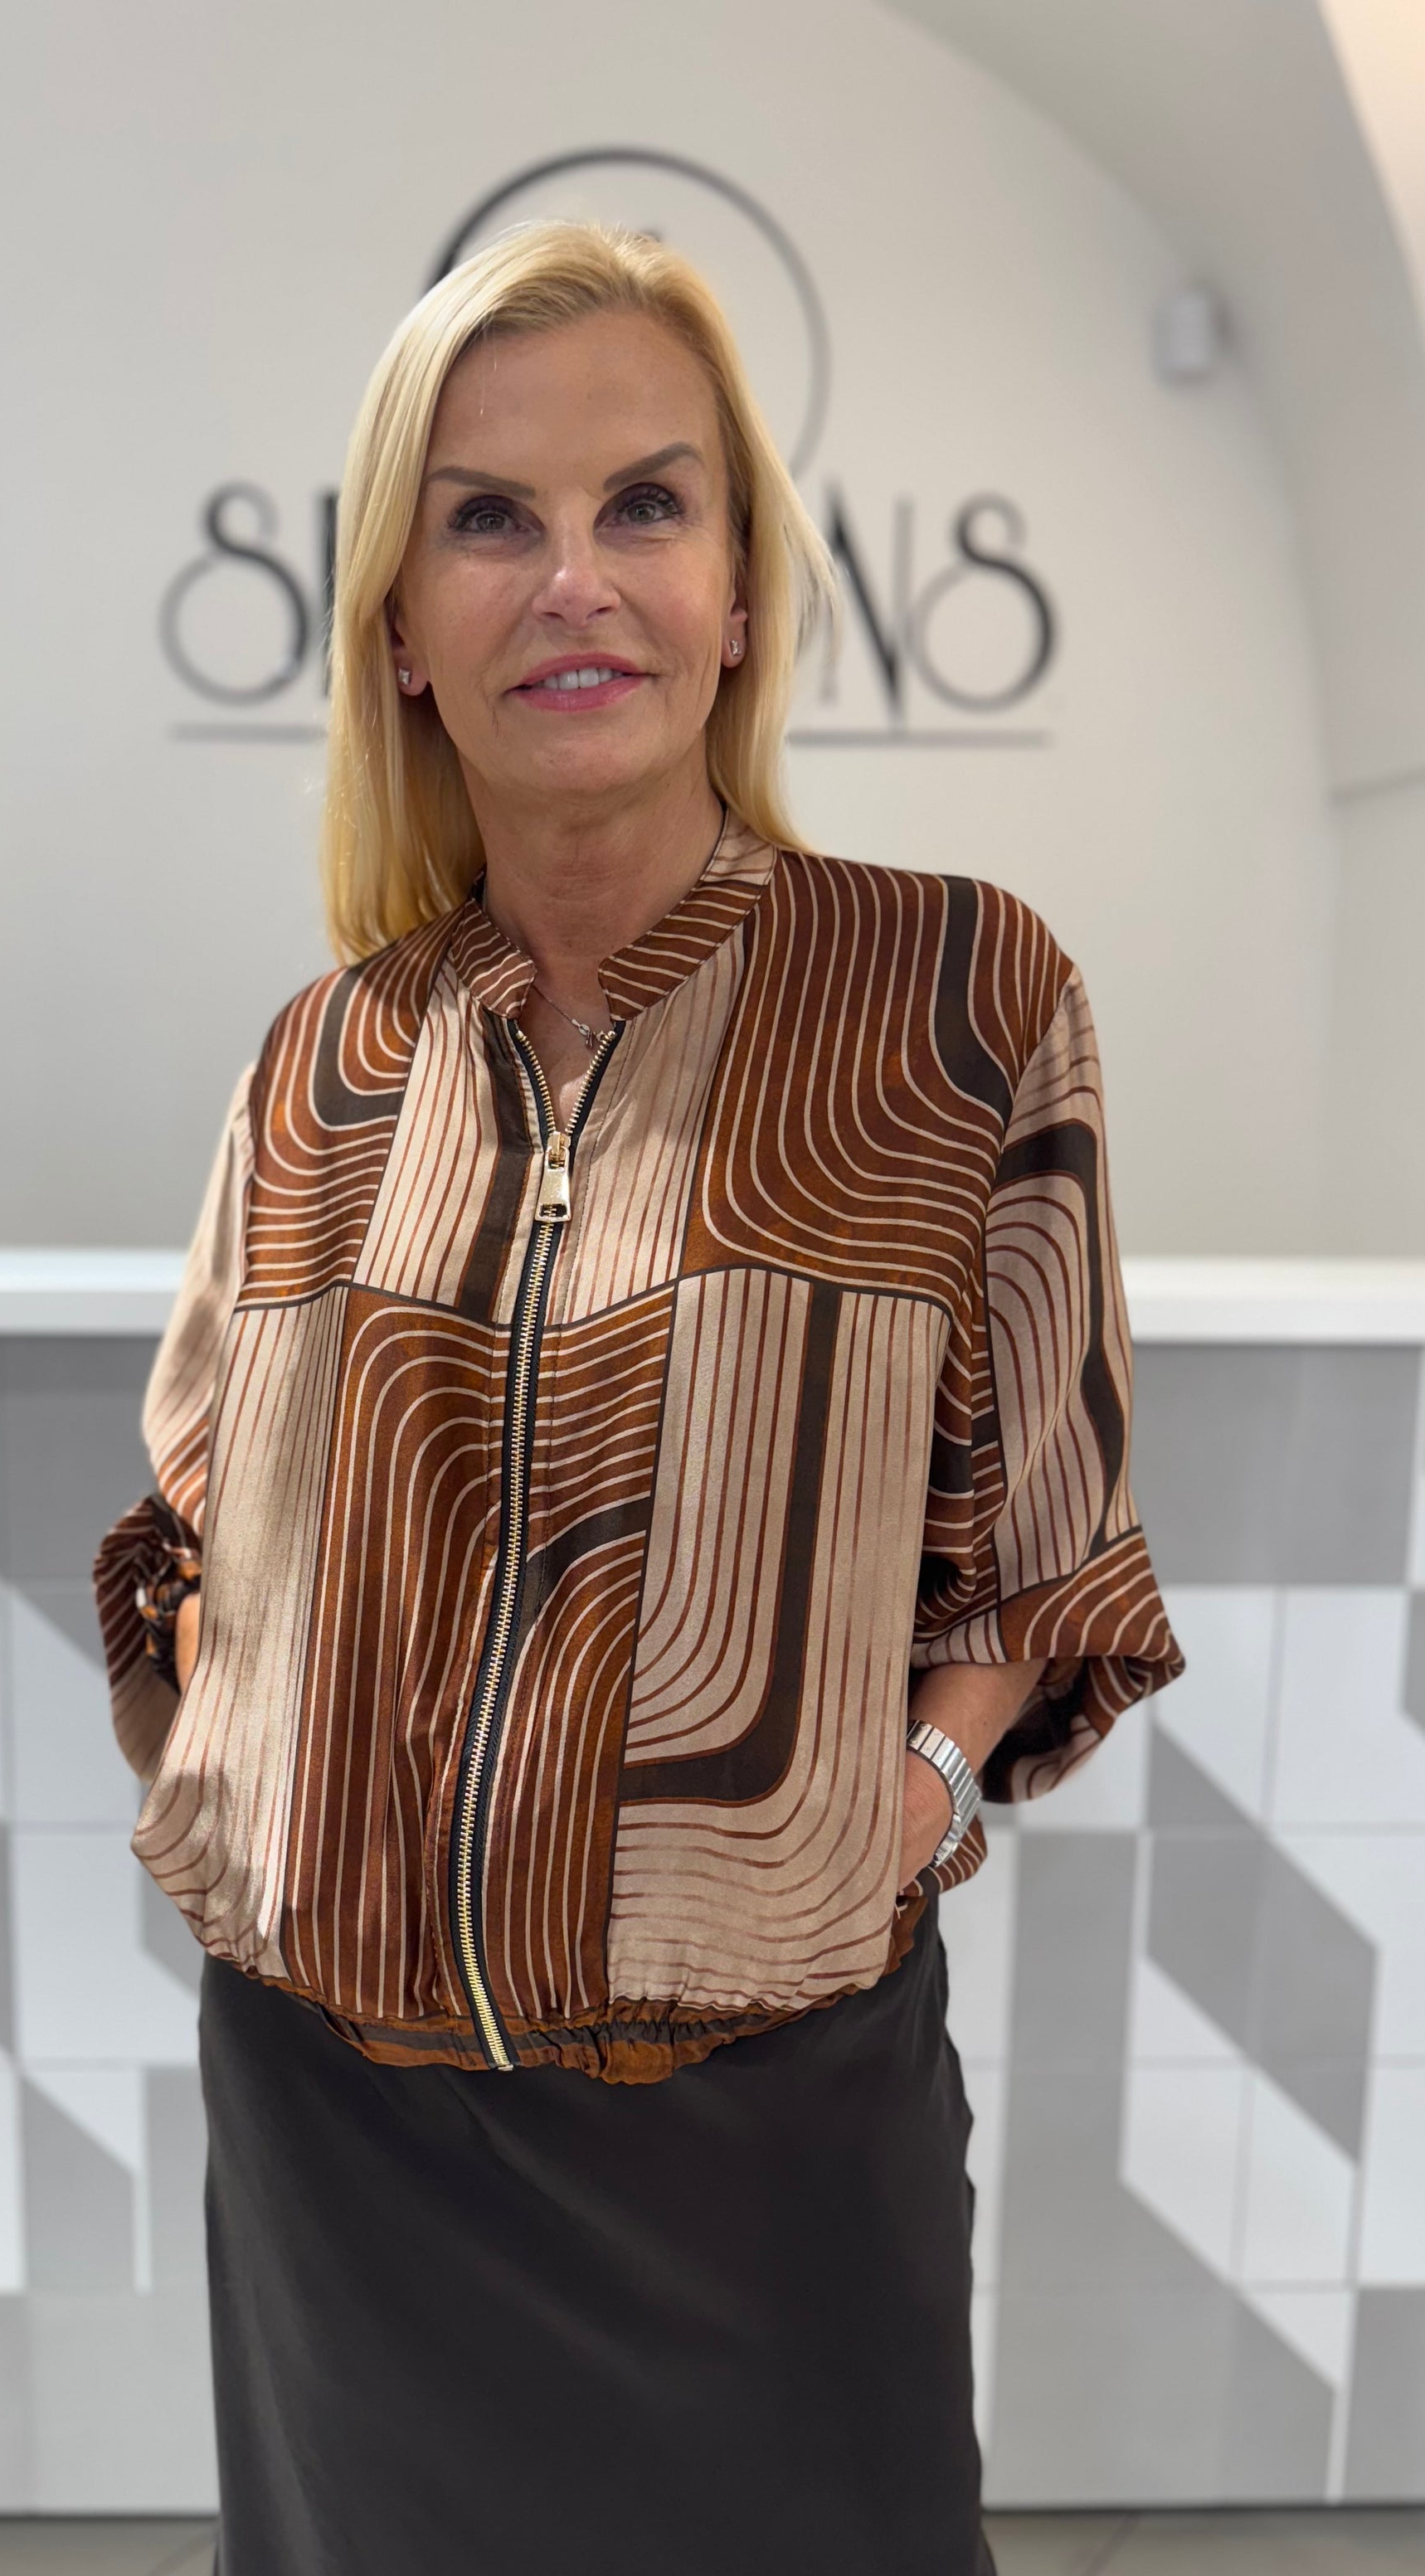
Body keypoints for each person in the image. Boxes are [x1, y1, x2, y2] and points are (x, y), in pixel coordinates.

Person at [95, 221, 1181, 2576]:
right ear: (400, 623)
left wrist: (886, 1808)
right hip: (339, 2144)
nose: (570, 578)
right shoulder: (324, 1061)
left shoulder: (951, 1000)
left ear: (743, 592)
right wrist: (237, 1800)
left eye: (645, 505)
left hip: (762, 2147)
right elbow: (188, 1531)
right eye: (487, 515)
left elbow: (1042, 1549)